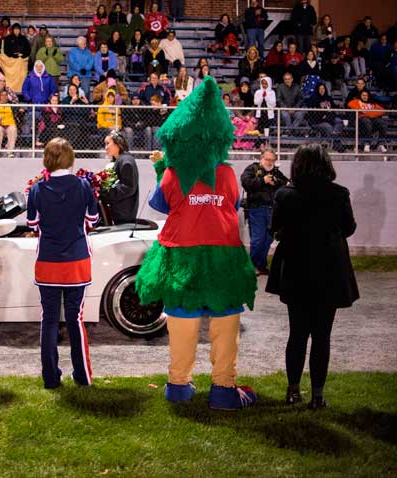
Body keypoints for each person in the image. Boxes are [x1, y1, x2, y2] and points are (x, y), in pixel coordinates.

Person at [137, 77, 257, 410]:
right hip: (222, 256)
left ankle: (178, 385)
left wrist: (163, 168)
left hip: (182, 255)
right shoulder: (229, 175)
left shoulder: (173, 174)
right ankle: (223, 389)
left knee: (183, 320)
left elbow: (160, 205)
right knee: (225, 321)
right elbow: (231, 206)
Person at [266, 144, 359, 409]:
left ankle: (293, 391)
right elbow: (348, 228)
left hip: (296, 268)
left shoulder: (285, 194)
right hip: (329, 268)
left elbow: (276, 229)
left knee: (297, 333)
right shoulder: (339, 194)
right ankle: (318, 395)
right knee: (322, 335)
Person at [26, 137, 97, 389]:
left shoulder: (36, 189)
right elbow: (93, 217)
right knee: (75, 319)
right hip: (77, 260)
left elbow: (32, 224)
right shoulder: (83, 185)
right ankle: (83, 376)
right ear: (70, 158)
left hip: (48, 261)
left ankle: (50, 378)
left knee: (49, 319)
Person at [240, 148, 289, 275]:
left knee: (268, 239)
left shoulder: (276, 172)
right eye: (267, 159)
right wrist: (263, 180)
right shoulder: (252, 169)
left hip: (273, 210)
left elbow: (287, 183)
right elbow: (246, 182)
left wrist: (276, 182)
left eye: (272, 160)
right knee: (258, 239)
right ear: (261, 159)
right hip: (257, 208)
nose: (270, 162)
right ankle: (253, 266)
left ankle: (261, 265)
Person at [99, 131, 138, 224]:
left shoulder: (126, 161)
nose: (106, 147)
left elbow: (128, 187)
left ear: (118, 143)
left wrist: (106, 193)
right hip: (120, 212)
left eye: (108, 143)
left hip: (123, 215)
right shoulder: (120, 160)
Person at [61, 82, 90, 147]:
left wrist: (87, 103)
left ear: (77, 91)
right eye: (70, 90)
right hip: (70, 123)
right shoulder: (65, 100)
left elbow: (87, 112)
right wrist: (71, 102)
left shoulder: (81, 100)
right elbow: (64, 111)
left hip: (81, 123)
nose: (72, 91)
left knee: (84, 128)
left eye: (74, 89)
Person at [0, 90, 18, 157]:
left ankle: (10, 152)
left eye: (5, 95)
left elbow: (17, 115)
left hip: (10, 124)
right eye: (2, 95)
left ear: (7, 96)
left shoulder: (12, 105)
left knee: (12, 129)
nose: (4, 97)